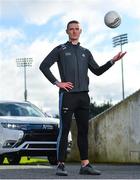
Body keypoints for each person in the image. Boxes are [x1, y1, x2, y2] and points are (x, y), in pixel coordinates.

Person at [39, 20, 126, 176]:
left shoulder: (86, 52)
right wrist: (57, 83)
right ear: (67, 31)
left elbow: (97, 71)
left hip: (83, 96)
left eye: (76, 29)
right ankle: (60, 165)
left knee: (83, 131)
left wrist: (112, 61)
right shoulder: (60, 49)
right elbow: (44, 66)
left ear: (81, 31)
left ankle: (85, 165)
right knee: (64, 130)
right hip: (67, 96)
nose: (74, 31)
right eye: (71, 29)